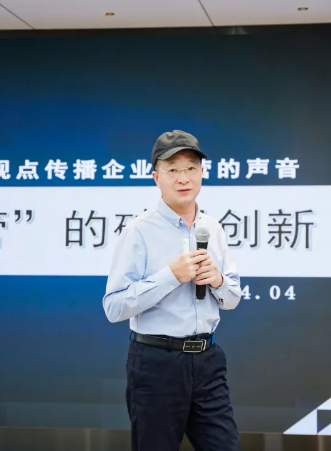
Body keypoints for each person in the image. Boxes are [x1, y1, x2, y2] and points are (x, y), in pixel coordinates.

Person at [103, 130, 242, 451]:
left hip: (208, 361)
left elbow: (232, 299)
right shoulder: (139, 231)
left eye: (191, 168)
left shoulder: (213, 228)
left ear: (202, 173)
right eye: (173, 169)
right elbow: (114, 307)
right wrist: (170, 276)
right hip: (157, 364)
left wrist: (218, 281)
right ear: (157, 177)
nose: (183, 178)